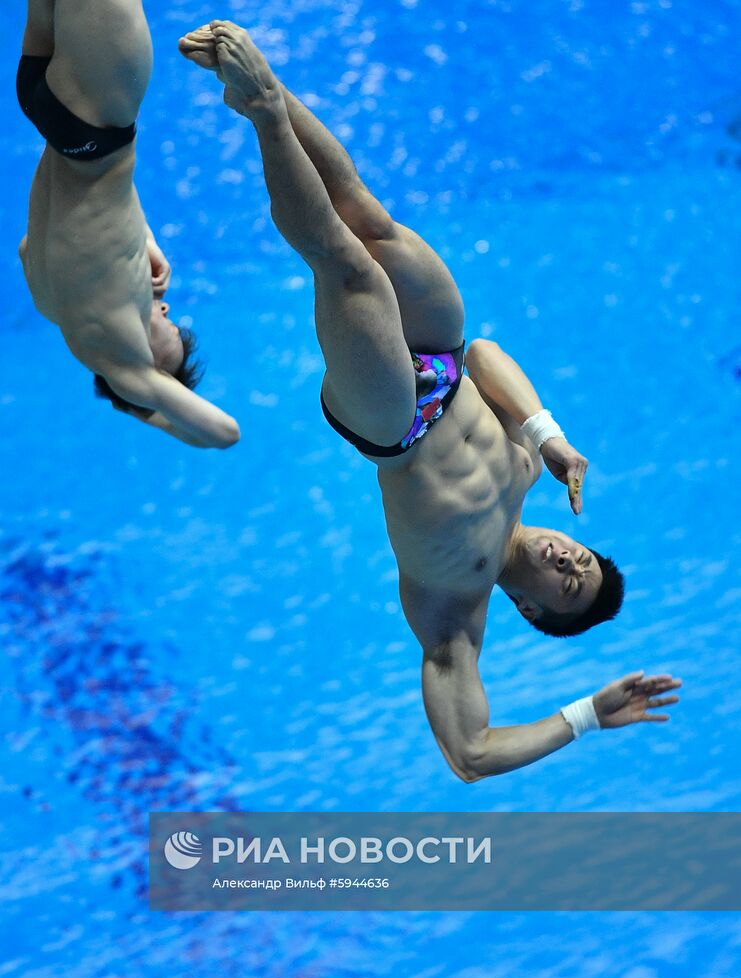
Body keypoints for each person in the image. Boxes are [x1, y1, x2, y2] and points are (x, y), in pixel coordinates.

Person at [179, 21, 681, 782]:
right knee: (367, 219)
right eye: (580, 557)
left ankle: (262, 112)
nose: (565, 559)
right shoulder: (531, 470)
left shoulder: (455, 610)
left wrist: (584, 717)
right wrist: (547, 433)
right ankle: (266, 81)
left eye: (566, 582)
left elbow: (469, 756)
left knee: (345, 267)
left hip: (392, 421)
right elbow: (483, 356)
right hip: (444, 362)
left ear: (533, 609)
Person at [16, 0, 240, 448]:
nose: (165, 310)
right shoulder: (53, 306)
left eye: (168, 329)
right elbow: (56, 234)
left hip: (94, 115)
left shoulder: (125, 363)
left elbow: (224, 435)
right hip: (53, 116)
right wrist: (143, 242)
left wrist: (144, 405)